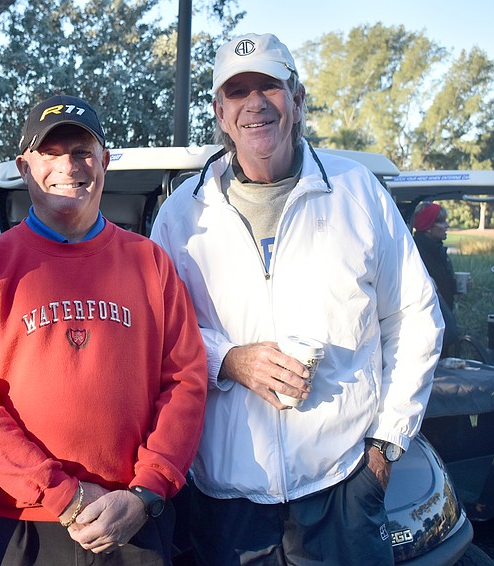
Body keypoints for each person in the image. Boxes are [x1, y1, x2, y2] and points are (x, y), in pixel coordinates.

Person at [150, 33, 444, 565]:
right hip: (227, 499)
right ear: (220, 112)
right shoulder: (180, 215)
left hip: (343, 488)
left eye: (270, 86)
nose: (255, 103)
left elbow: (414, 315)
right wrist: (229, 360)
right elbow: (159, 335)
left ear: (298, 98)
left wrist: (385, 446)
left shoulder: (357, 192)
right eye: (237, 92)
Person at [0, 94, 208, 565]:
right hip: (23, 526)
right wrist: (60, 494)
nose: (69, 164)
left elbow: (185, 381)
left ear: (104, 162)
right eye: (51, 151)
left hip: (133, 521)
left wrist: (147, 489)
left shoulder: (149, 263)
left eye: (82, 151)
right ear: (25, 167)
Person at [411, 202, 460, 349]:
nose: (447, 225)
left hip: (442, 322)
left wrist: (456, 286)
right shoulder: (415, 252)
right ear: (428, 227)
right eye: (441, 221)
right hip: (428, 329)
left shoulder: (438, 249)